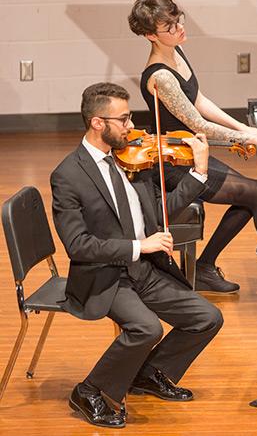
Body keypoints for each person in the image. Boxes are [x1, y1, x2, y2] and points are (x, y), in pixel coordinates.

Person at [127, 0, 257, 300]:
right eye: (170, 26)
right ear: (151, 35)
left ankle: (210, 267)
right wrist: (251, 139)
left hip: (190, 151)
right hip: (175, 163)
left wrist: (244, 128)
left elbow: (199, 99)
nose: (179, 28)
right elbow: (199, 126)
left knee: (256, 195)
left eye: (179, 19)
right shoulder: (160, 76)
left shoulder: (176, 51)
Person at [51, 83, 223, 428]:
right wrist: (138, 246)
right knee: (146, 328)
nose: (132, 127)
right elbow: (78, 245)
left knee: (207, 317)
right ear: (98, 123)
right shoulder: (68, 176)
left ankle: (148, 373)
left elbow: (159, 213)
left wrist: (199, 172)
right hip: (105, 275)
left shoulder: (130, 163)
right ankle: (89, 391)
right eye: (124, 119)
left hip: (142, 271)